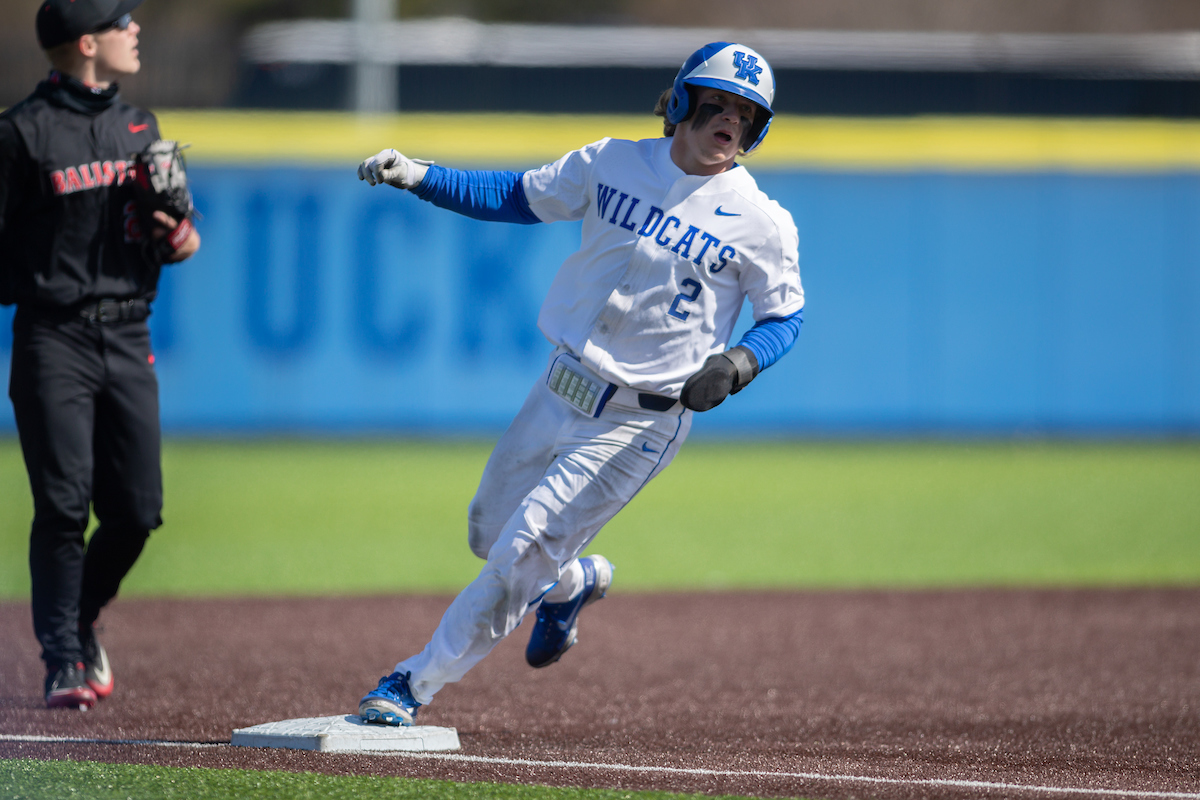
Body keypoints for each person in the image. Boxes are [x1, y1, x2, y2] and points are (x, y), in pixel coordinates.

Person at [354, 42, 803, 726]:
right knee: (490, 535)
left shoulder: (762, 221)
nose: (731, 122)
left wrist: (738, 363)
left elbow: (784, 318)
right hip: (561, 386)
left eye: (748, 114)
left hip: (641, 419)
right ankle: (571, 585)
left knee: (519, 554)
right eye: (719, 103)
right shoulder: (612, 161)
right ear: (681, 100)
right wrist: (420, 175)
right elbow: (517, 197)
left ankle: (408, 686)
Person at [0, 0, 200, 710]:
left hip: (127, 333)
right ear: (88, 43)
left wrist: (176, 238)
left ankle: (79, 617)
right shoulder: (21, 134)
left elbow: (185, 237)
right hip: (52, 335)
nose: (135, 30)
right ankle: (59, 658)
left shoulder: (139, 127)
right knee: (61, 504)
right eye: (123, 23)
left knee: (138, 510)